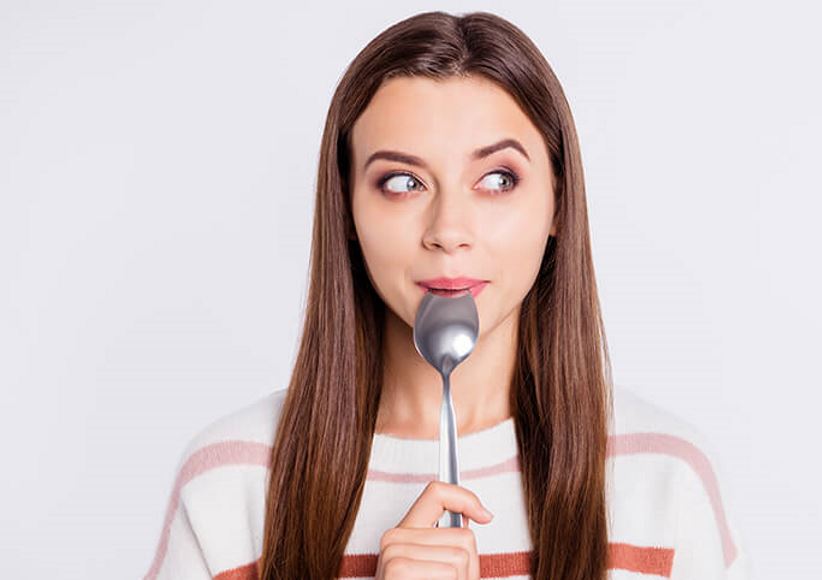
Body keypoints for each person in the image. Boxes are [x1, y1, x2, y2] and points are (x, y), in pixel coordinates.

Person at [143, 10, 751, 580]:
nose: (448, 231)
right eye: (402, 182)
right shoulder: (232, 483)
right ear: (347, 209)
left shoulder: (665, 480)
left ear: (559, 203)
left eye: (496, 179)